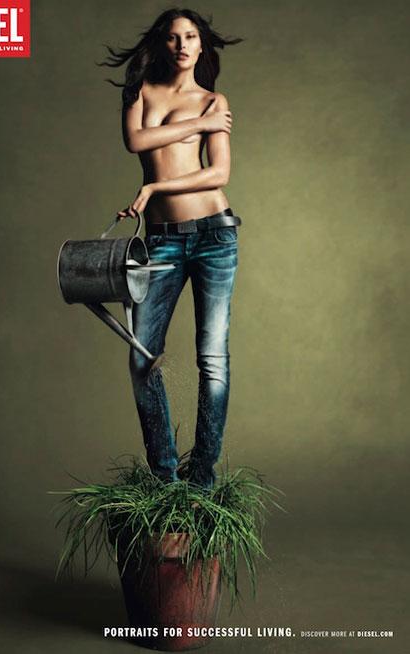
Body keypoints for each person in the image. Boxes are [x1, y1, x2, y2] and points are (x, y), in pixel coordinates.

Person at [101, 8, 242, 489]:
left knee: (213, 360)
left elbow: (219, 173)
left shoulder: (213, 101)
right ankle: (166, 477)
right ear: (161, 44)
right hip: (161, 240)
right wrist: (197, 126)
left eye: (191, 36)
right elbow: (135, 140)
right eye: (173, 37)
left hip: (214, 235)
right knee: (142, 357)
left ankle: (201, 479)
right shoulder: (140, 91)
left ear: (202, 45)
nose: (182, 45)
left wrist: (156, 188)